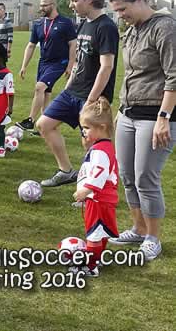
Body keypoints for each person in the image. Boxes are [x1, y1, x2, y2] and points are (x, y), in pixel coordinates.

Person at [106, 0, 176, 261]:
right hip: (129, 112)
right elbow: (131, 75)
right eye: (117, 11)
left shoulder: (165, 27)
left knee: (146, 177)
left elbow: (174, 77)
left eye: (123, 9)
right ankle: (137, 227)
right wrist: (119, 111)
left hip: (155, 115)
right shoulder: (132, 30)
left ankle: (152, 237)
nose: (120, 15)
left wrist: (163, 117)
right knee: (127, 175)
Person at [37, 0, 119, 187]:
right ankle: (66, 171)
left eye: (75, 0)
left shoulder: (106, 27)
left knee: (92, 143)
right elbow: (80, 59)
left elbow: (107, 66)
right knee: (44, 124)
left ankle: (92, 188)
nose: (71, 4)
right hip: (72, 91)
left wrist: (92, 99)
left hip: (92, 96)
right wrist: (68, 85)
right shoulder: (83, 23)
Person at [16, 0, 77, 133]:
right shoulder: (38, 24)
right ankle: (44, 124)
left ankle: (30, 121)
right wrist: (24, 66)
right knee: (45, 93)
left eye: (44, 5)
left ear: (53, 5)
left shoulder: (65, 23)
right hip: (43, 63)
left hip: (59, 63)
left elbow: (73, 44)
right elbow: (31, 45)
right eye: (41, 5)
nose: (41, 8)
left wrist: (70, 65)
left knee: (39, 87)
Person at [72, 98, 118, 277]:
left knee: (93, 234)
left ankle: (89, 267)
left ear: (102, 127)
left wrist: (85, 190)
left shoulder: (100, 151)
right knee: (101, 231)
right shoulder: (104, 146)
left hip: (98, 199)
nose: (83, 132)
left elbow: (99, 174)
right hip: (105, 199)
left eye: (87, 128)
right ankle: (97, 259)